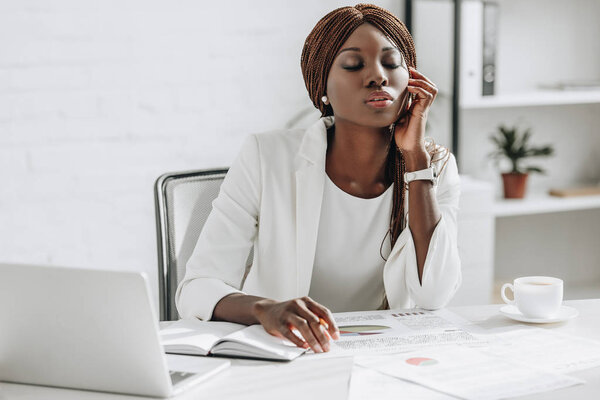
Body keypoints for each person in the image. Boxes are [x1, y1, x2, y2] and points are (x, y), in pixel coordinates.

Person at [176, 4, 461, 354]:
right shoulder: (266, 156)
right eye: (354, 64)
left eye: (391, 63)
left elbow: (433, 294)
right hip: (285, 354)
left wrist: (416, 160)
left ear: (412, 80)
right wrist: (265, 308)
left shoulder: (435, 167)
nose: (378, 77)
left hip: (384, 354)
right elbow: (197, 289)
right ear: (321, 86)